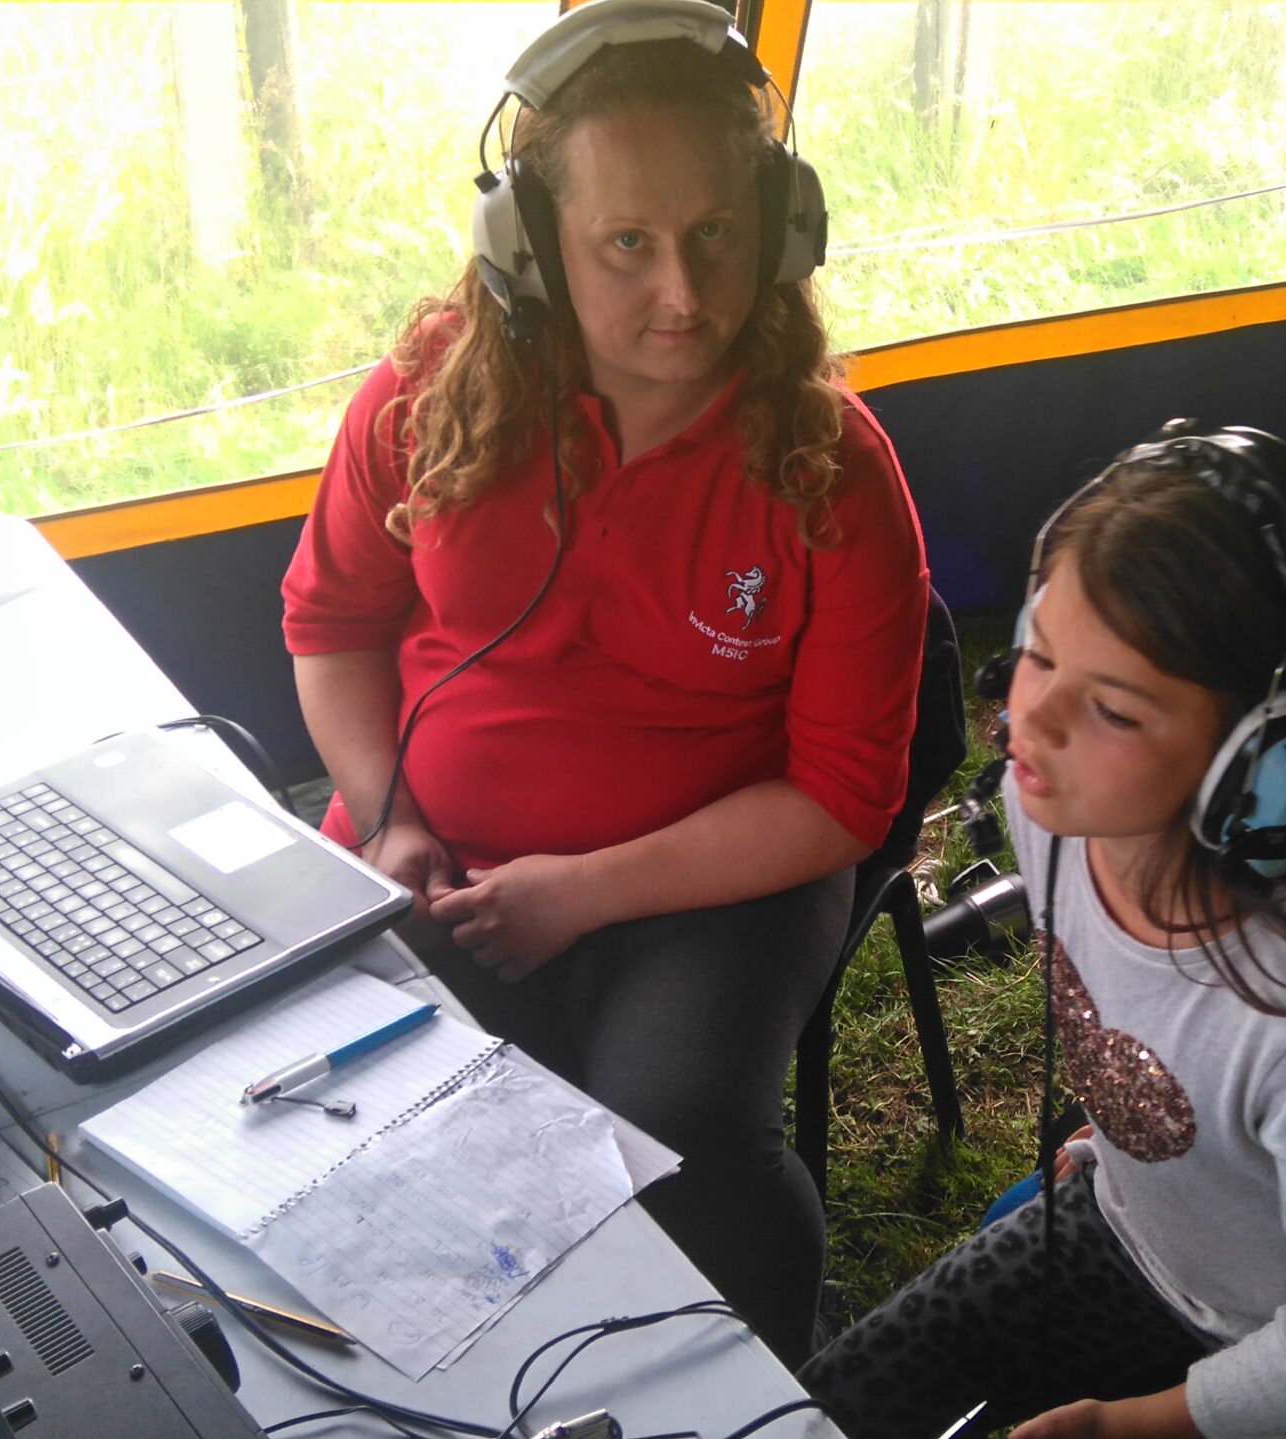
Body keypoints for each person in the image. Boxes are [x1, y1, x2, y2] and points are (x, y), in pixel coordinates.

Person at [279, 0, 928, 1367]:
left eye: (715, 233)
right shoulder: (425, 393)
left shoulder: (832, 469)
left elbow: (840, 796)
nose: (684, 294)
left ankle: (753, 1392)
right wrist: (387, 817)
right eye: (627, 243)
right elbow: (328, 625)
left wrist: (579, 890)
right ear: (528, 242)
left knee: (678, 1140)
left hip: (718, 876)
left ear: (780, 224)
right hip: (430, 851)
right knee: (357, 1114)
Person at [798, 424, 1286, 1438]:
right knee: (820, 1408)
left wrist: (1133, 1421)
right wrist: (1124, 1137)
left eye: (1113, 707)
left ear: (1263, 765)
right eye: (1039, 652)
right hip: (1134, 1237)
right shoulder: (1047, 813)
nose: (1030, 719)